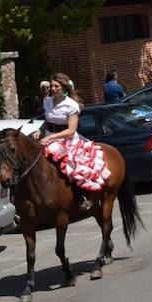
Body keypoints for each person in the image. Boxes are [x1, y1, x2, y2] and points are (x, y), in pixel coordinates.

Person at [34, 73, 108, 211]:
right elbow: (48, 120)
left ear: (64, 87)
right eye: (52, 86)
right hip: (49, 137)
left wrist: (50, 137)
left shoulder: (71, 105)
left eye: (56, 86)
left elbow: (71, 130)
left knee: (71, 165)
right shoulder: (48, 101)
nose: (53, 89)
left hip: (66, 140)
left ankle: (83, 196)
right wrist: (39, 130)